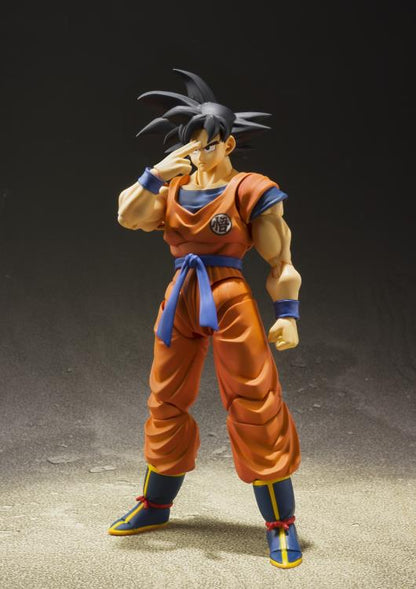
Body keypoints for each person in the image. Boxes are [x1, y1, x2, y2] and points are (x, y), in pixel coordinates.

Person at [108, 69, 303, 569]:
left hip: (229, 295)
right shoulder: (170, 188)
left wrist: (287, 314)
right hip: (181, 297)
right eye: (191, 141)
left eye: (208, 142)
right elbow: (128, 216)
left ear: (228, 143)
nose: (198, 150)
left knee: (255, 400)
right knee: (165, 399)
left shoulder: (250, 189)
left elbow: (280, 260)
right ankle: (155, 504)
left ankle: (281, 522)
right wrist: (156, 172)